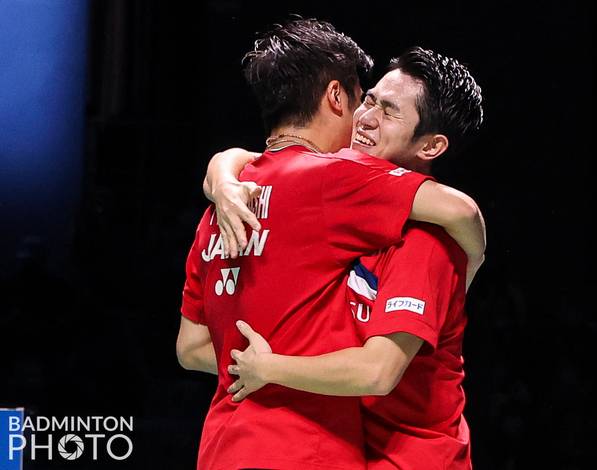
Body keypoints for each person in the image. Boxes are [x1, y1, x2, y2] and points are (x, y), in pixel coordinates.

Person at [176, 19, 483, 470]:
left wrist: (471, 260)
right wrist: (223, 176)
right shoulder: (328, 199)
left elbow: (377, 372)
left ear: (432, 145)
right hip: (317, 449)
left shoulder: (424, 238)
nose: (366, 118)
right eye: (370, 99)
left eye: (390, 111)